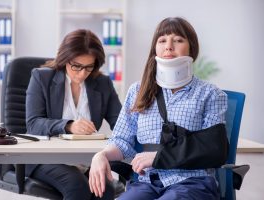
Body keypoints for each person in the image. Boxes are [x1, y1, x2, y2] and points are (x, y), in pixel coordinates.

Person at [89, 17, 228, 200]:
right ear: (155, 48)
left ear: (192, 48)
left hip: (192, 182)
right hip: (147, 182)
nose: (169, 46)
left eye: (178, 40)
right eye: (162, 40)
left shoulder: (210, 94)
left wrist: (159, 157)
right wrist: (101, 155)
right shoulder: (138, 91)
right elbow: (122, 140)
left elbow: (214, 148)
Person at [25, 29, 122, 200]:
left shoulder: (102, 83)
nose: (82, 73)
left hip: (86, 158)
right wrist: (68, 125)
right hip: (47, 158)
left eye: (89, 67)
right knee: (77, 185)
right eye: (76, 66)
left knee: (104, 189)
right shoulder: (41, 78)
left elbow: (121, 124)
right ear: (64, 60)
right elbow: (33, 124)